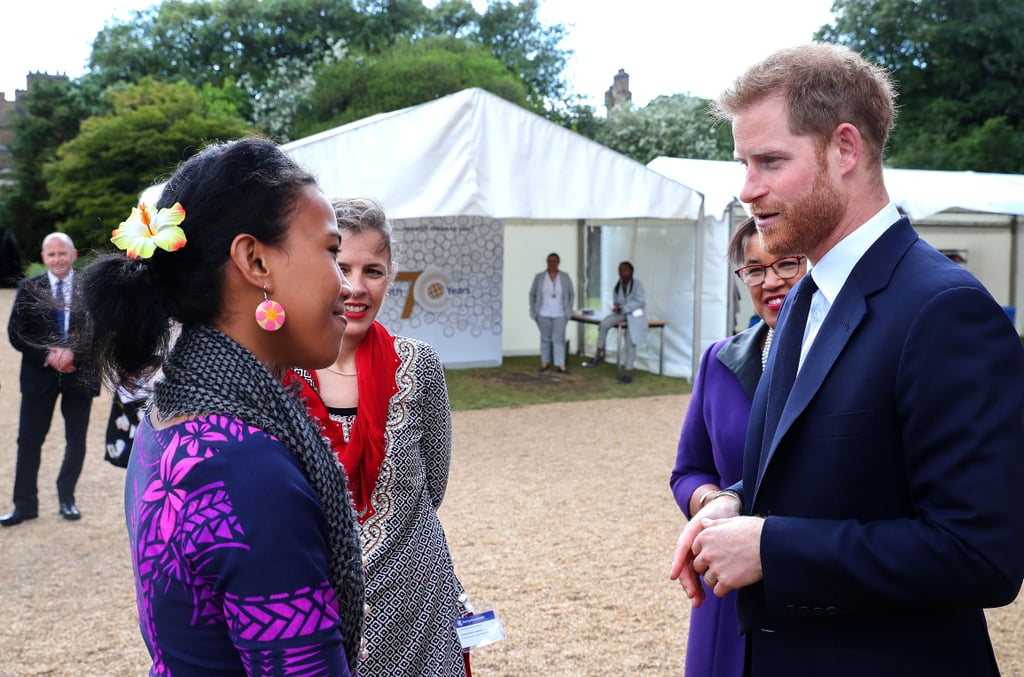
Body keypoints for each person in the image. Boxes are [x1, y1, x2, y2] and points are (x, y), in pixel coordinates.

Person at [670, 43, 1024, 676]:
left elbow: (981, 555)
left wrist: (772, 548)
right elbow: (843, 472)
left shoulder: (944, 308)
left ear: (846, 149)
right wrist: (735, 503)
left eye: (770, 161)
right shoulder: (808, 295)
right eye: (743, 163)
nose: (748, 189)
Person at [80, 137, 365, 675]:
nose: (348, 284)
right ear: (255, 260)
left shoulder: (169, 418)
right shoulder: (245, 469)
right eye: (331, 252)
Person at [288, 197, 466, 676]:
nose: (356, 287)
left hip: (418, 604)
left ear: (391, 277)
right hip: (321, 608)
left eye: (374, 270)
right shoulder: (279, 374)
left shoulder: (420, 365)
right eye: (342, 267)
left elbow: (434, 486)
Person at [669, 217, 806, 677]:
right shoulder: (719, 360)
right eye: (754, 269)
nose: (770, 282)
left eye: (786, 264)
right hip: (724, 592)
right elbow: (687, 471)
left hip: (807, 582)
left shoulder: (843, 362)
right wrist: (715, 504)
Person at [1, 232, 100, 526]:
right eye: (51, 254)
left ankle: (66, 497)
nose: (57, 259)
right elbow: (16, 333)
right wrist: (49, 354)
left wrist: (73, 354)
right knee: (28, 440)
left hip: (79, 375)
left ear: (73, 254)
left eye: (62, 253)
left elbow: (101, 330)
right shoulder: (29, 288)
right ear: (43, 258)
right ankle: (24, 505)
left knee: (76, 439)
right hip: (38, 378)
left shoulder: (91, 287)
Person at [585, 260, 647, 383]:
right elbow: (616, 299)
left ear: (630, 272)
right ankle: (598, 355)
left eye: (624, 270)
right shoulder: (618, 285)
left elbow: (640, 301)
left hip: (634, 316)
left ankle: (628, 373)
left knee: (631, 342)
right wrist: (617, 306)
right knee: (604, 324)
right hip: (621, 313)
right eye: (620, 270)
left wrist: (624, 307)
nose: (621, 272)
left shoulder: (637, 285)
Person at [528, 252, 574, 374]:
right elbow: (532, 294)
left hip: (560, 313)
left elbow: (571, 294)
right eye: (550, 261)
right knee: (545, 339)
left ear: (558, 263)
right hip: (543, 313)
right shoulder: (539, 277)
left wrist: (568, 310)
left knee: (558, 339)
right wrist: (533, 311)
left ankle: (561, 365)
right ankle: (545, 363)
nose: (552, 264)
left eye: (554, 261)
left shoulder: (565, 277)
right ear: (547, 263)